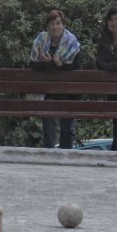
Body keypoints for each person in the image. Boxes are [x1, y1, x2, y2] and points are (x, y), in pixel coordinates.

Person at [29, 10, 81, 149]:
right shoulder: (41, 40)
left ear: (63, 25)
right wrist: (52, 63)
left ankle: (66, 155)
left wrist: (58, 64)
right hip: (48, 92)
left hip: (69, 92)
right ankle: (49, 152)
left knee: (67, 128)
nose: (55, 27)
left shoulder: (72, 42)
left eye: (58, 23)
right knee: (48, 122)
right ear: (47, 26)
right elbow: (33, 65)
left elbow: (75, 67)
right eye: (52, 24)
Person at [96, 6, 117, 151]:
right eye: (111, 20)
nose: (114, 23)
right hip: (111, 89)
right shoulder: (104, 42)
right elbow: (100, 63)